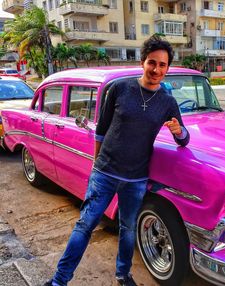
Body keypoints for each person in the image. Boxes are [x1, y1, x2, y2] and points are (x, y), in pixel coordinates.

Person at [46, 35, 190, 286]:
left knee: (127, 229)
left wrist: (179, 131)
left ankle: (123, 275)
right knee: (85, 226)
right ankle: (59, 280)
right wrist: (96, 163)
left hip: (135, 178)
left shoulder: (168, 102)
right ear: (142, 62)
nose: (156, 69)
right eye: (152, 63)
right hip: (105, 172)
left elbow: (183, 139)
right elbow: (102, 129)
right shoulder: (120, 89)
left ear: (167, 68)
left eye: (162, 65)